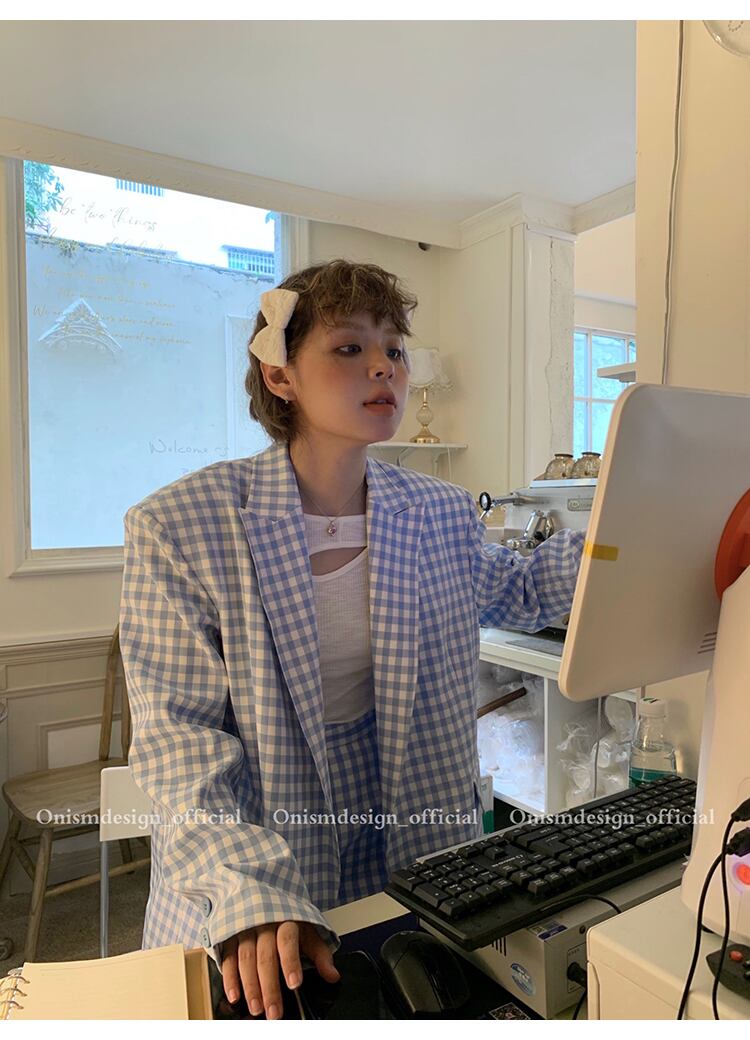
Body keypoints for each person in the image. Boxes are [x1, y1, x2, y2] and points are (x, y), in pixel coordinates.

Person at [119, 260, 584, 1019]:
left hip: (411, 833)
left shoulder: (437, 511)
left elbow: (520, 589)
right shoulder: (182, 525)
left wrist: (625, 533)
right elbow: (179, 743)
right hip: (260, 844)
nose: (384, 366)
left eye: (394, 348)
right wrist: (246, 891)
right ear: (280, 376)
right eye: (348, 347)